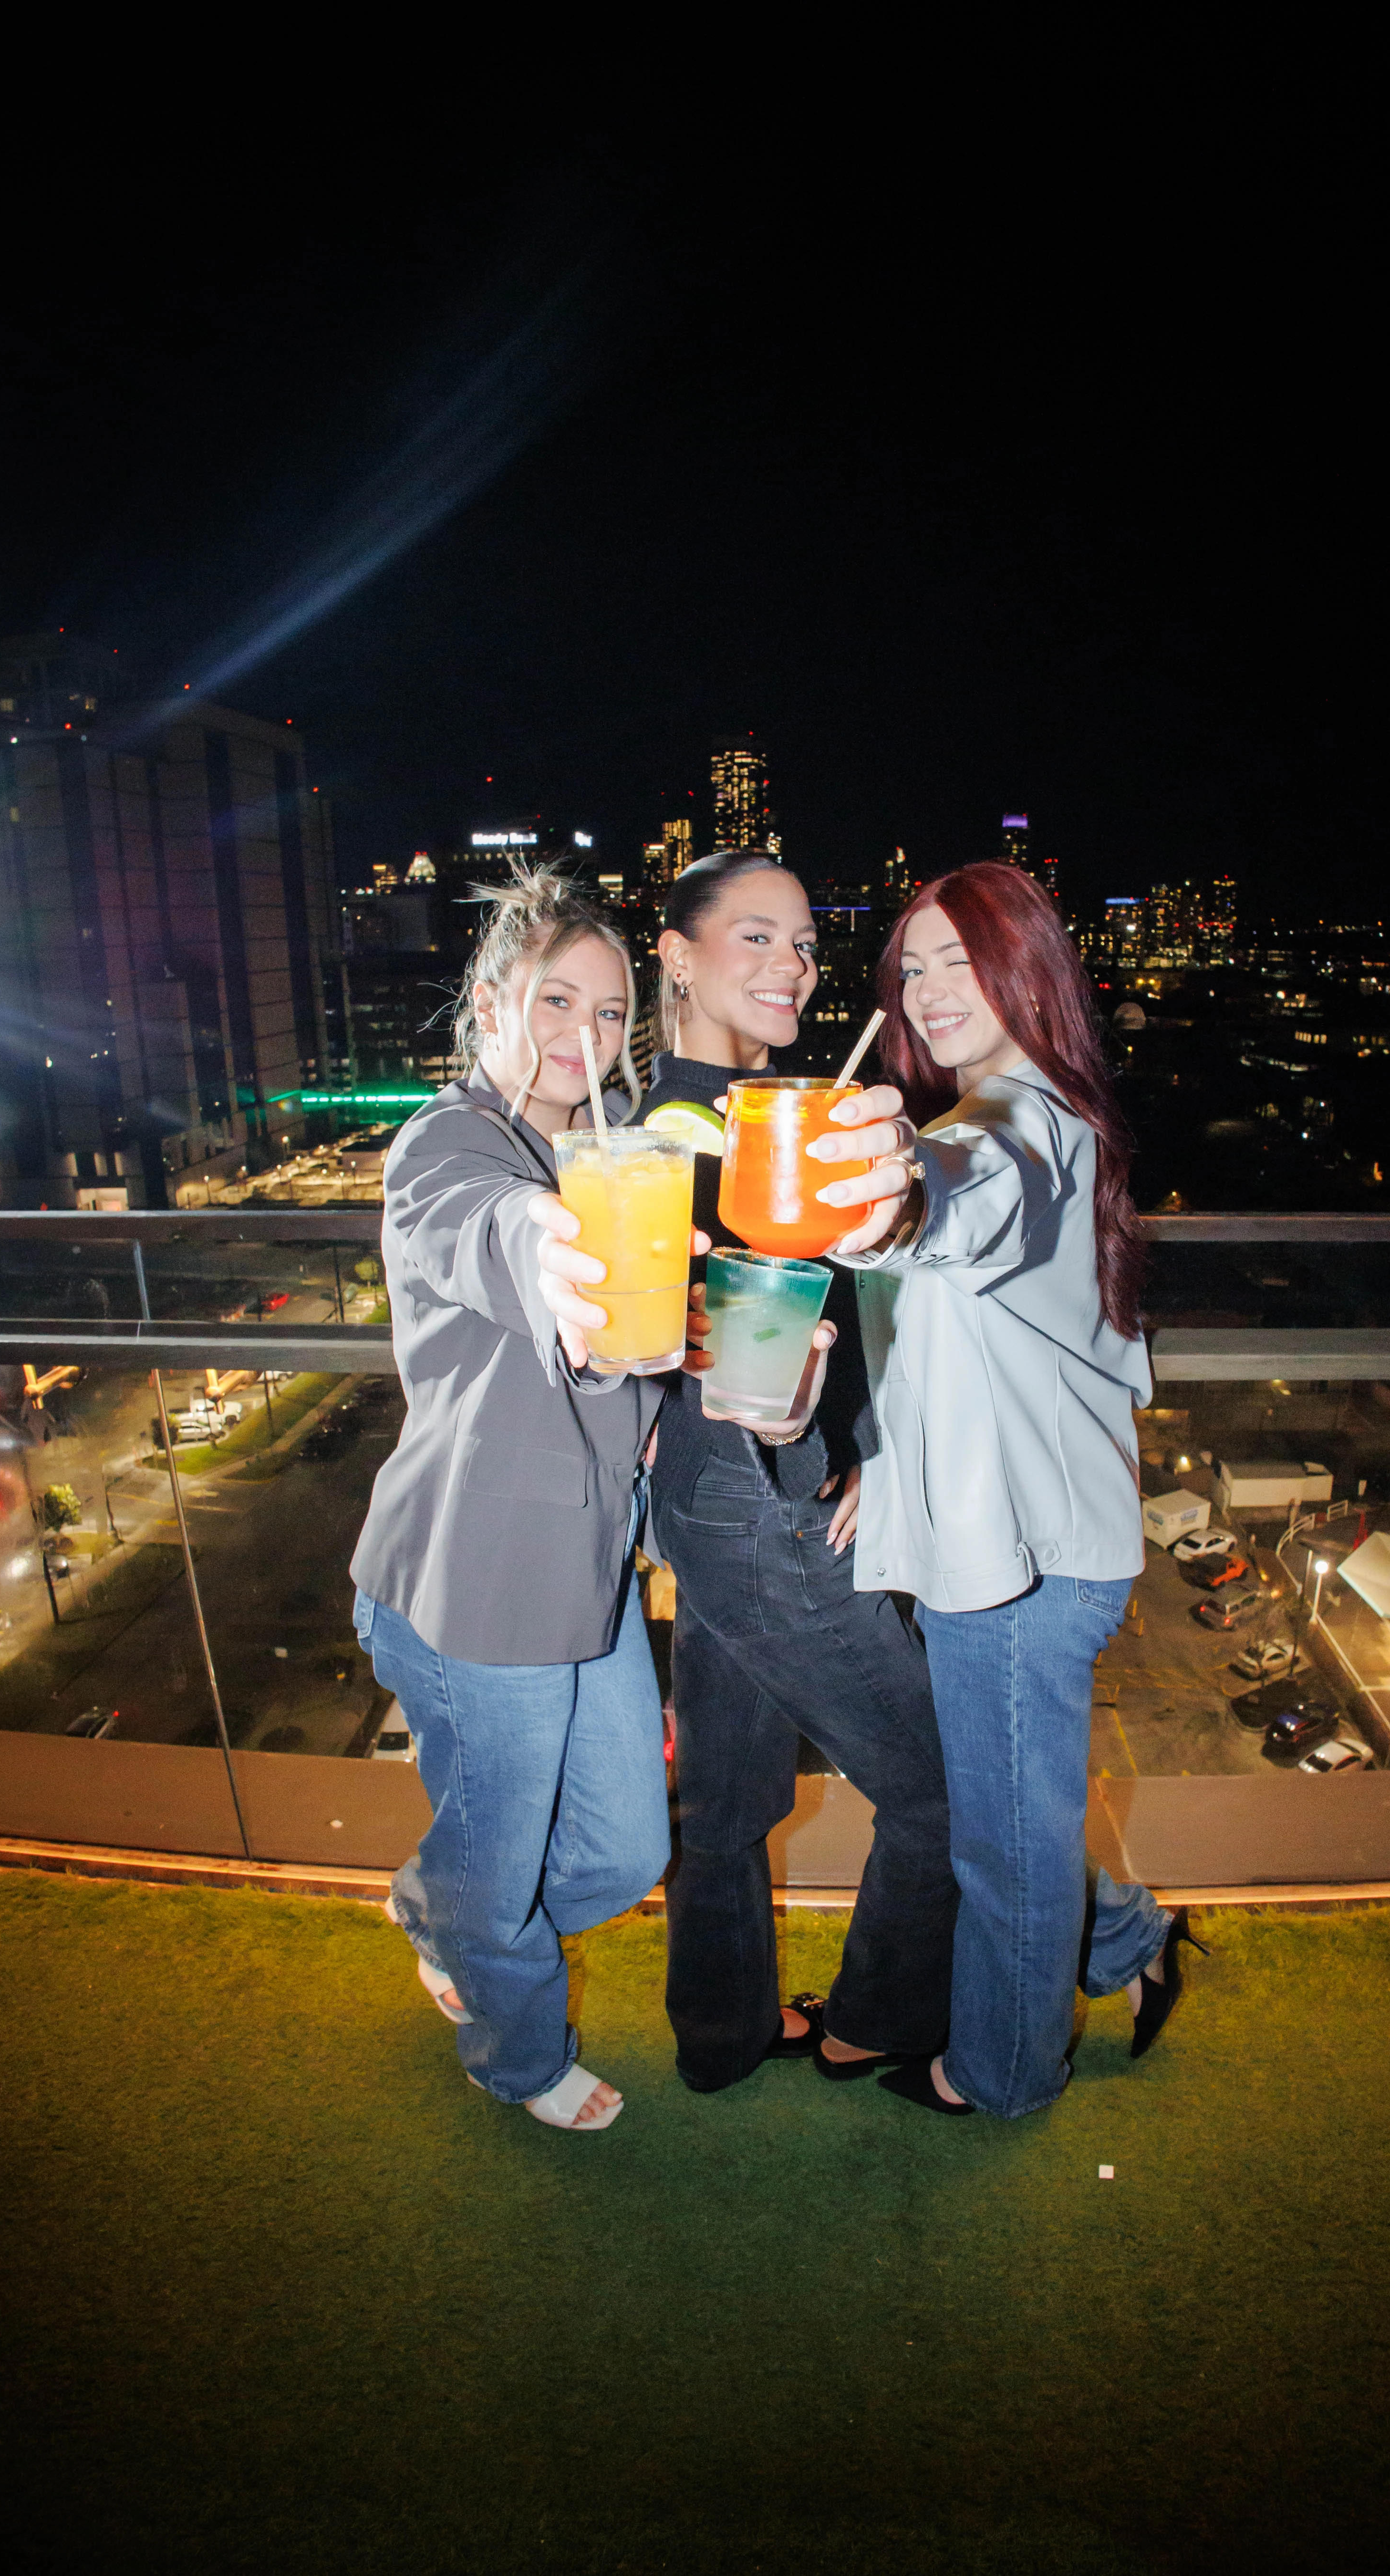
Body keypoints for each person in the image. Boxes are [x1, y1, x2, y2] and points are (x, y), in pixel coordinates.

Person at [539, 848, 958, 2095]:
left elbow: (845, 1316)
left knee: (723, 1814)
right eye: (758, 938)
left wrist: (865, 1445)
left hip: (721, 1503)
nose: (795, 965)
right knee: (943, 1794)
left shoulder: (778, 1110)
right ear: (674, 953)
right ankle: (877, 2017)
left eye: (805, 944)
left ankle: (722, 2038)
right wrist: (800, 1439)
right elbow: (728, 1361)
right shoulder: (685, 1125)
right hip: (756, 1509)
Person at [809, 859, 1202, 2119]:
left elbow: (962, 1202)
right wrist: (883, 1462)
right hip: (1000, 1541)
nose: (927, 990)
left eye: (960, 961)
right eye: (911, 966)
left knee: (1004, 1845)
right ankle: (1131, 1945)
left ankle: (1001, 2072)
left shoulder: (1015, 1127)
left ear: (1030, 971)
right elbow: (946, 1337)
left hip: (1025, 1568)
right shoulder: (995, 1111)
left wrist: (890, 1190)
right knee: (1011, 1811)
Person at [350, 862, 674, 2134]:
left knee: (629, 1852)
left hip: (584, 1579)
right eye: (554, 1003)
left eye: (607, 1014)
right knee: (499, 1881)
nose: (582, 1039)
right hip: (469, 1585)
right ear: (489, 1002)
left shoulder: (614, 1148)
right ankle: (519, 2050)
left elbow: (644, 1360)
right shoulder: (456, 1142)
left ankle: (444, 1906)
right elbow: (469, 1225)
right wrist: (546, 1240)